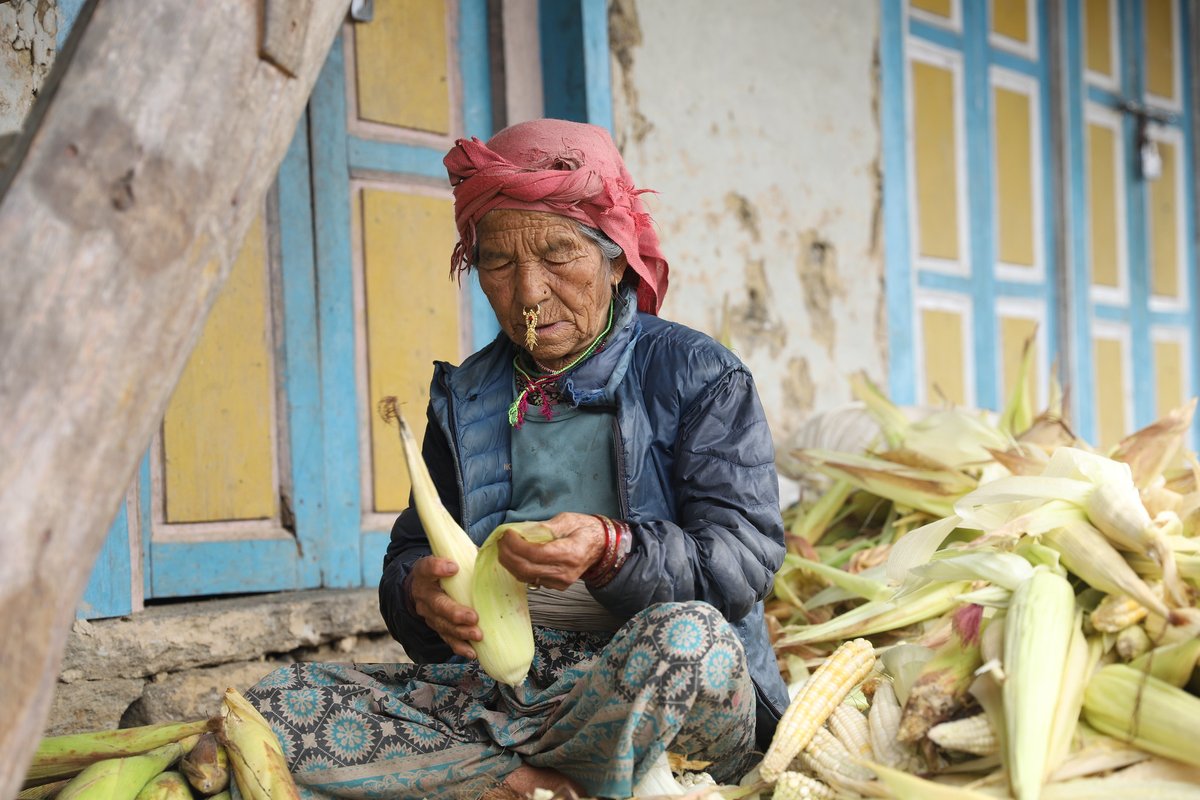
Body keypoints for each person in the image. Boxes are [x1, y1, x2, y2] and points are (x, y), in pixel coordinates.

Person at [246, 118, 788, 800]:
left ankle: (499, 776)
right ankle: (535, 780)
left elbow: (744, 562)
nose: (529, 292)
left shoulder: (698, 375)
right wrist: (419, 596)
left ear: (616, 256)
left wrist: (612, 549)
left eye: (560, 255)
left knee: (693, 643)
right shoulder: (467, 395)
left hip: (645, 682)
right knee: (278, 700)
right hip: (505, 694)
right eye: (498, 263)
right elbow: (409, 561)